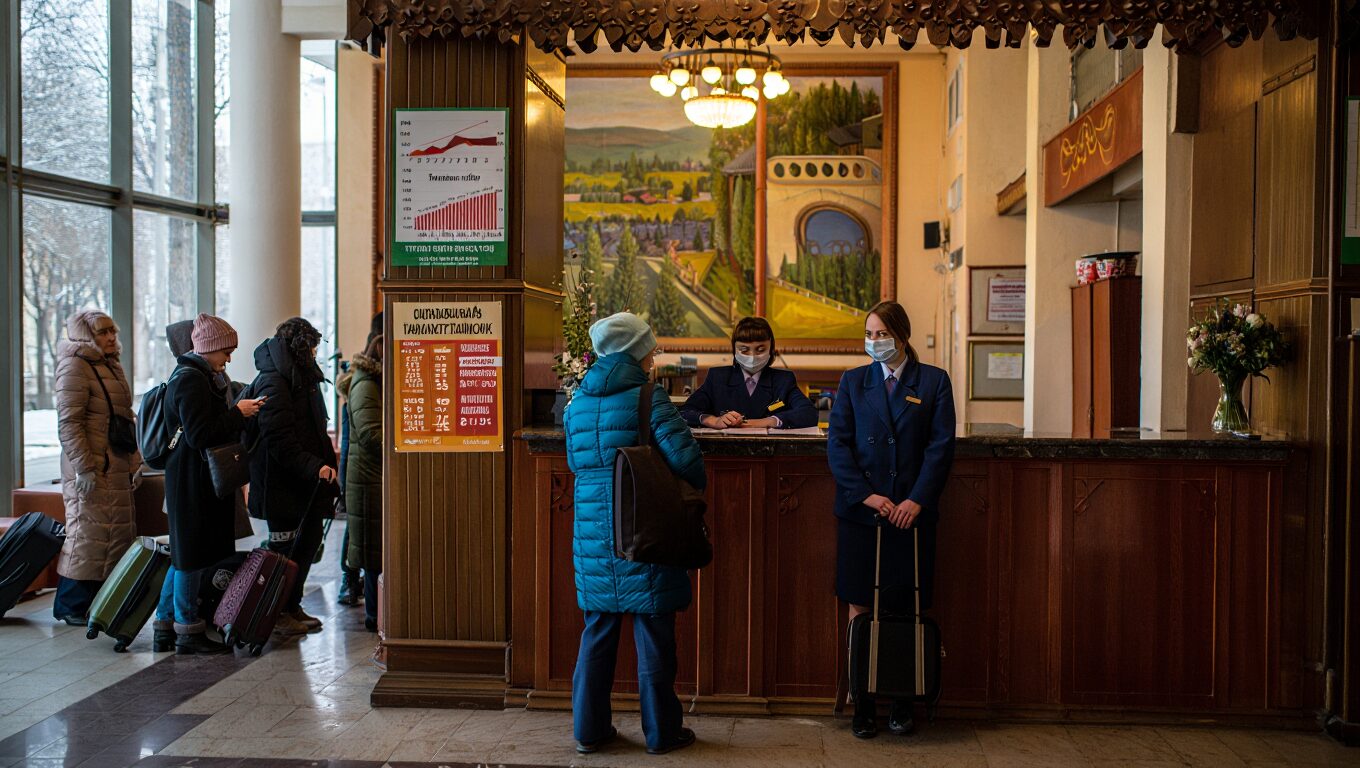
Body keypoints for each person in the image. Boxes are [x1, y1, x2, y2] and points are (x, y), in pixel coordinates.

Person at [564, 312, 705, 756]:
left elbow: (575, 464)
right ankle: (662, 733)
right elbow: (689, 465)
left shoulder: (577, 403)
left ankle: (589, 732)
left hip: (593, 533)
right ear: (637, 351)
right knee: (653, 632)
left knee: (598, 630)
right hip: (646, 525)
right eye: (650, 347)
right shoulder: (649, 397)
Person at [826, 300, 955, 739]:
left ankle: (902, 701)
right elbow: (838, 446)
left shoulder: (934, 381)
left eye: (882, 334)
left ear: (903, 335)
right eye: (870, 334)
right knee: (860, 605)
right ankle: (863, 702)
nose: (875, 342)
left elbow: (940, 448)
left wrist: (916, 500)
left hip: (911, 515)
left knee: (905, 605)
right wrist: (867, 496)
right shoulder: (853, 381)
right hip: (864, 514)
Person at [160, 314, 264, 654]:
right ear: (209, 348)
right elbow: (199, 434)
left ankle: (166, 623)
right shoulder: (190, 380)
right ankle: (187, 630)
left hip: (193, 476)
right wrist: (238, 413)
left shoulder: (198, 376)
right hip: (190, 479)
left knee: (185, 553)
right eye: (225, 351)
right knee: (190, 555)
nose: (229, 359)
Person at [249, 317, 338, 638]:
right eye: (312, 349)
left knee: (307, 544)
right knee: (284, 552)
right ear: (300, 349)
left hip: (303, 484)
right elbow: (279, 439)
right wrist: (313, 465)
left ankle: (291, 604)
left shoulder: (300, 377)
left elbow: (311, 428)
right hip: (281, 487)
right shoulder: (274, 381)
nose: (315, 355)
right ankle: (275, 611)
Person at [52, 310, 142, 625]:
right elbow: (69, 422)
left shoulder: (109, 365)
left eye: (111, 332)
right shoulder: (75, 366)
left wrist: (134, 461)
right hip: (90, 467)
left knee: (113, 533)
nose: (110, 338)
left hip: (113, 463)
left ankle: (100, 601)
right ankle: (71, 604)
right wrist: (84, 467)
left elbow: (124, 418)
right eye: (102, 333)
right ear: (85, 336)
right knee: (86, 533)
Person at [680, 316, 817, 430]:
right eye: (744, 350)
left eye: (760, 349)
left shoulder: (783, 380)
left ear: (771, 349)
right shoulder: (717, 377)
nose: (752, 356)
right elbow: (685, 412)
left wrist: (767, 421)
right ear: (734, 350)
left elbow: (809, 414)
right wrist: (712, 420)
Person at [336, 311, 382, 607]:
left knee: (363, 532)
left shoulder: (368, 381)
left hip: (365, 473)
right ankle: (351, 583)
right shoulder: (366, 384)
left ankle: (353, 583)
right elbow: (367, 433)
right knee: (363, 533)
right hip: (366, 474)